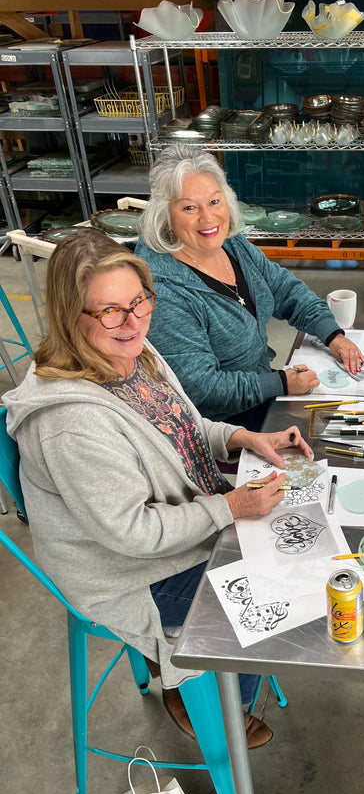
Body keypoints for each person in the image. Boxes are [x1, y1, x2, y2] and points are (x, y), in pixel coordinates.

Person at [2, 231, 315, 747]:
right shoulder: (70, 423)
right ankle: (198, 690)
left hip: (180, 518)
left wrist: (242, 437)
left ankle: (208, 674)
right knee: (271, 581)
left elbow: (185, 426)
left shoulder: (134, 353)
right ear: (67, 315)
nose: (132, 322)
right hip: (125, 571)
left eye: (138, 301)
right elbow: (133, 534)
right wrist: (231, 505)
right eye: (108, 311)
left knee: (288, 544)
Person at [135, 145, 364, 426]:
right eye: (189, 208)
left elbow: (285, 290)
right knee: (334, 432)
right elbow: (201, 389)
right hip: (222, 423)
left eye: (214, 202)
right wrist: (280, 382)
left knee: (356, 414)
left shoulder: (231, 243)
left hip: (262, 392)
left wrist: (332, 335)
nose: (208, 218)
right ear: (166, 216)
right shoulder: (164, 291)